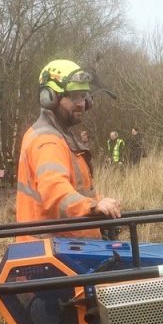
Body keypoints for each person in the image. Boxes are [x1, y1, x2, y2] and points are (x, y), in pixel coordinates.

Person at [16, 60, 121, 236]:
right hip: (51, 252)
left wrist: (100, 201)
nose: (82, 103)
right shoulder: (47, 141)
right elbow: (54, 192)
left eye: (84, 95)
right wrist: (93, 207)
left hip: (68, 249)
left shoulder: (62, 136)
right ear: (49, 97)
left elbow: (76, 190)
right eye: (74, 96)